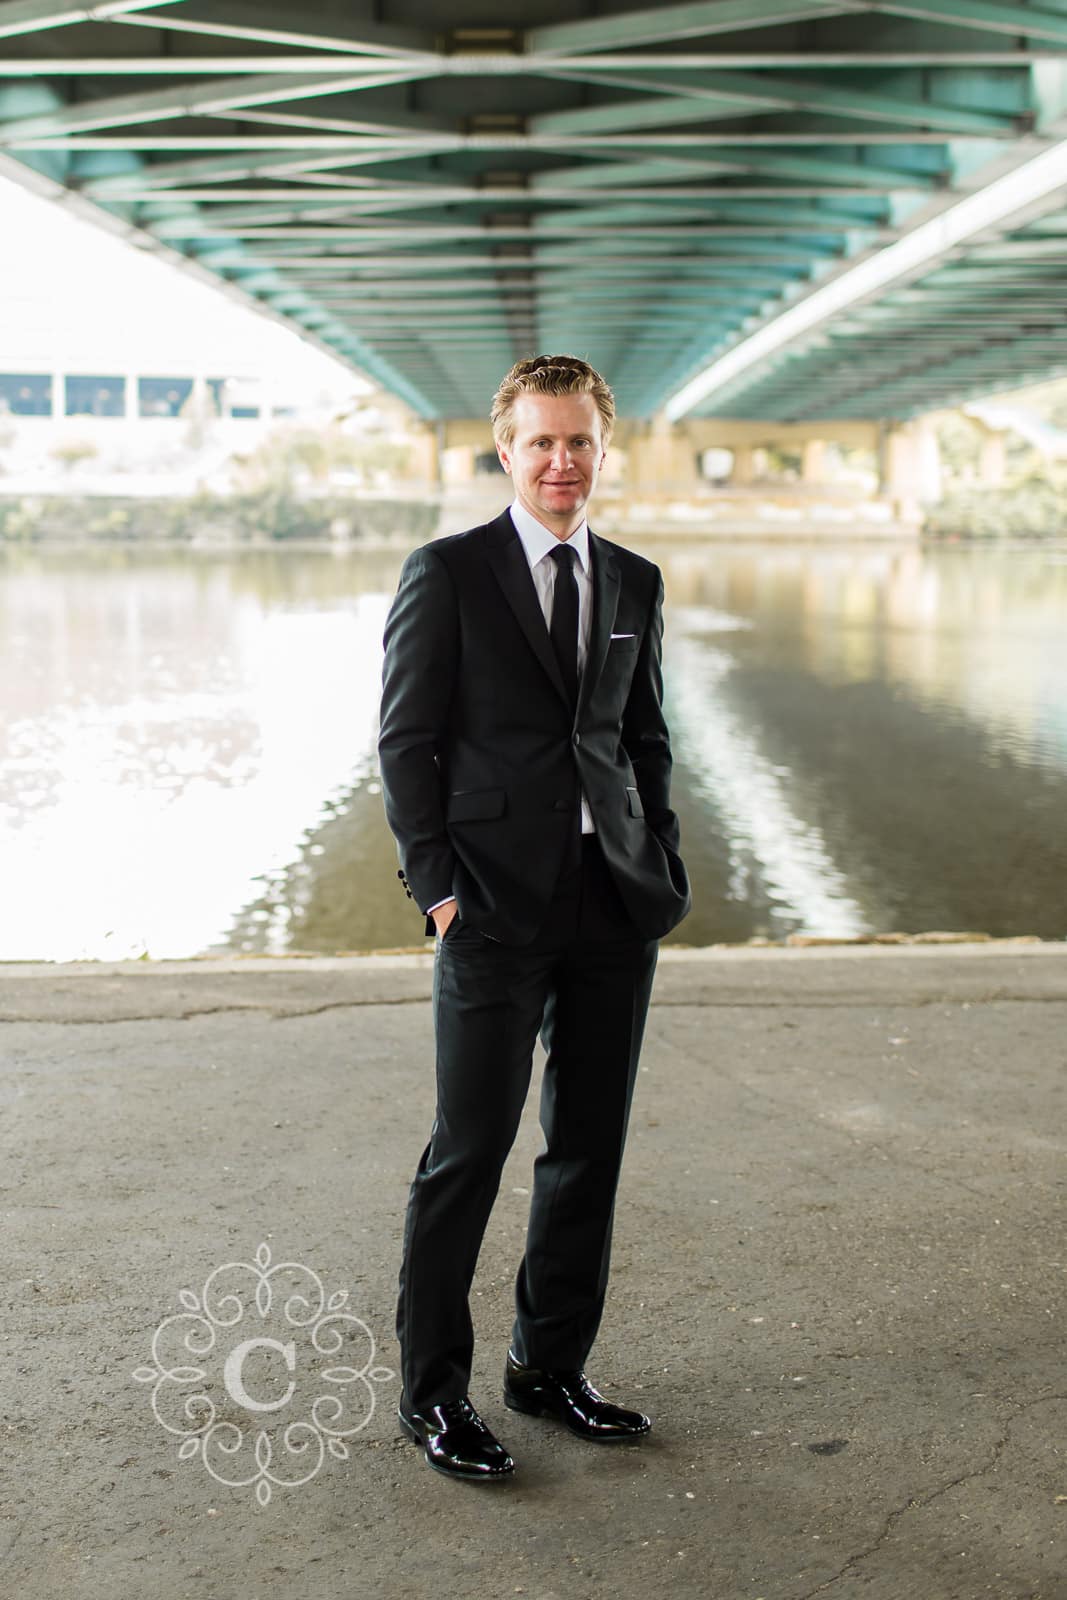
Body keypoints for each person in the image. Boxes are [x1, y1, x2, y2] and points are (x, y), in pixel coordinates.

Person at [378, 354, 690, 1482]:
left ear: (604, 452)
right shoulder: (448, 574)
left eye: (580, 443)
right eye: (540, 443)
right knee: (468, 1148)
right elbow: (405, 743)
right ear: (505, 451)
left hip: (611, 902)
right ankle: (433, 1395)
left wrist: (657, 859)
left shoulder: (636, 580)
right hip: (493, 907)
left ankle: (547, 1366)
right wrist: (439, 890)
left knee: (587, 1149)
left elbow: (642, 737)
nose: (562, 462)